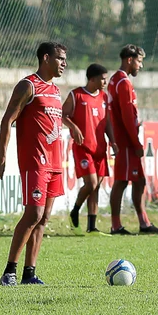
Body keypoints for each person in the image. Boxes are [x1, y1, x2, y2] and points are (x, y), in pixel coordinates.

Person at [0, 42, 68, 286]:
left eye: (65, 59)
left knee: (43, 219)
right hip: (36, 162)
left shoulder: (54, 90)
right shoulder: (28, 85)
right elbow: (7, 120)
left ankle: (29, 273)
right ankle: (9, 271)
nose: (64, 63)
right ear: (46, 58)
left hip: (55, 163)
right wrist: (1, 157)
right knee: (33, 213)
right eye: (60, 58)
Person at [106, 45, 158, 235]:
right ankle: (116, 226)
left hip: (126, 139)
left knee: (139, 181)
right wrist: (136, 143)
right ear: (129, 60)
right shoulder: (122, 82)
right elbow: (125, 116)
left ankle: (144, 223)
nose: (141, 65)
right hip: (125, 141)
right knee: (122, 181)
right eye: (139, 61)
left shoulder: (116, 80)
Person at [62, 64, 113, 233]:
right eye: (102, 78)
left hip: (100, 148)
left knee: (96, 186)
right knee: (90, 183)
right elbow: (63, 115)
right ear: (92, 79)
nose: (105, 81)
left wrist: (113, 141)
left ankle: (92, 227)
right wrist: (74, 127)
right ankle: (76, 209)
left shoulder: (104, 98)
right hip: (83, 147)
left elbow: (107, 123)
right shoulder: (76, 95)